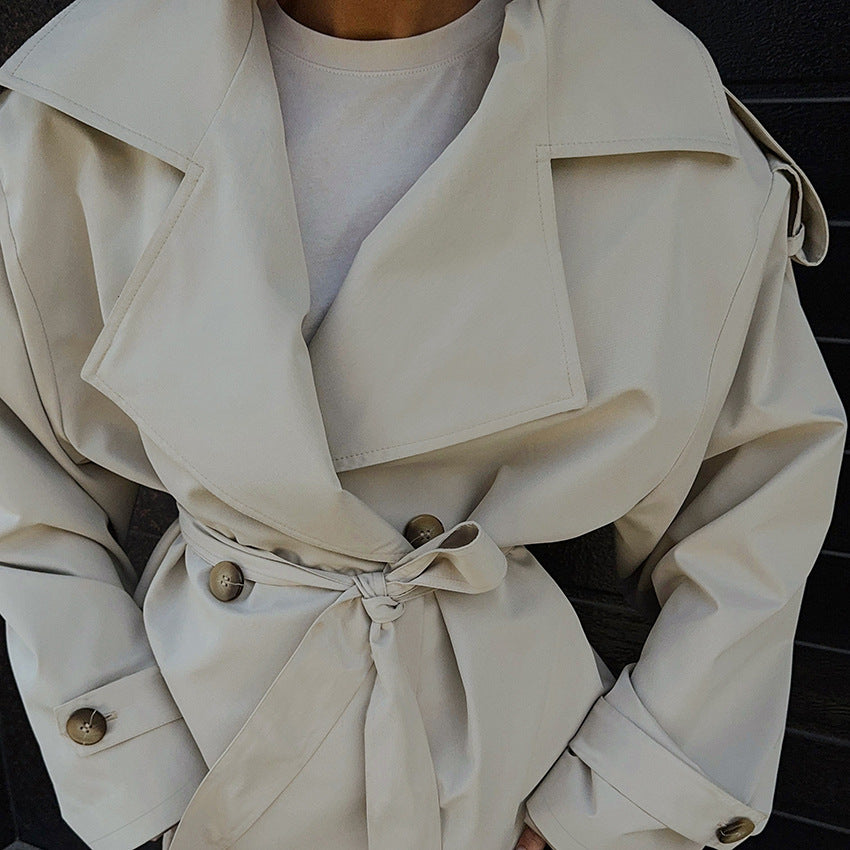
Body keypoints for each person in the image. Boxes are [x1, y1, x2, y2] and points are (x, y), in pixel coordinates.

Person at [0, 0, 844, 848]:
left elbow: (755, 504)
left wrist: (615, 811)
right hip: (207, 748)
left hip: (508, 780)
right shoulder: (82, 105)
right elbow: (20, 473)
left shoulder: (662, 121)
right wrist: (133, 772)